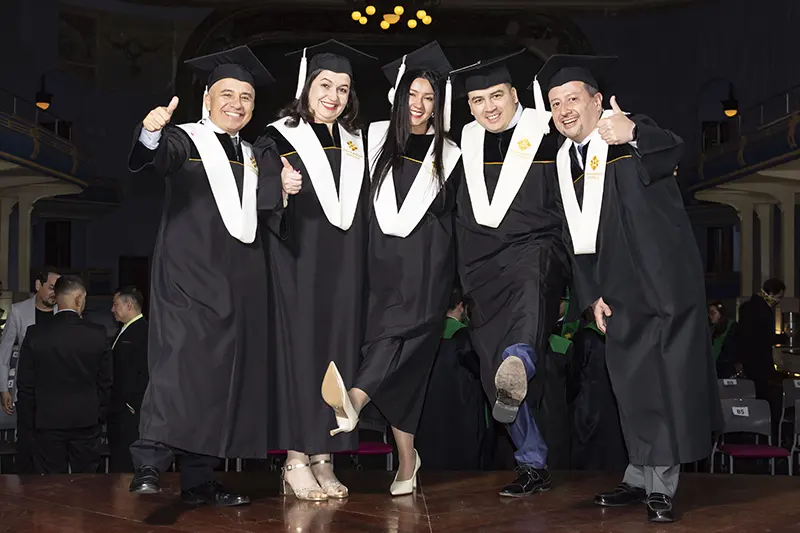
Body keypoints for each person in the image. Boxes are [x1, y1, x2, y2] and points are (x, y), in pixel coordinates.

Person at [536, 54, 722, 522]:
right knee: (631, 386)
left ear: (597, 100)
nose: (564, 110)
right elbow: (573, 238)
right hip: (616, 293)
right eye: (555, 103)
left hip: (664, 286)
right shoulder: (563, 162)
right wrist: (590, 294)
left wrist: (634, 132)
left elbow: (673, 149)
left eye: (572, 99)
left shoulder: (625, 133)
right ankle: (638, 476)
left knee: (666, 383)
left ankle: (661, 487)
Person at [126, 45, 282, 506]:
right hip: (187, 280)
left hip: (238, 284)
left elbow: (269, 213)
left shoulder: (254, 155)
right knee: (176, 366)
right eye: (227, 94)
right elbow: (158, 156)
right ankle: (150, 463)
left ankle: (199, 478)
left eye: (246, 97)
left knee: (220, 379)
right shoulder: (186, 141)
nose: (237, 103)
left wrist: (284, 187)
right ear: (207, 99)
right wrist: (151, 132)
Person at [320, 42, 462, 495]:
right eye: (412, 95)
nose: (419, 105)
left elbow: (457, 224)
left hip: (426, 274)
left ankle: (354, 400)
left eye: (429, 98)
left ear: (439, 106)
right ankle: (407, 461)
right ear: (399, 97)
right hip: (378, 272)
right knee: (402, 371)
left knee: (391, 342)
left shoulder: (452, 155)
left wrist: (459, 290)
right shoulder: (372, 141)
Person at [256, 40, 375, 502]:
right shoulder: (279, 137)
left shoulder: (356, 142)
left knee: (339, 353)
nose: (334, 96)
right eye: (325, 85)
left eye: (343, 89)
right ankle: (295, 458)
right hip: (298, 264)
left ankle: (326, 455)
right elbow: (257, 189)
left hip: (345, 266)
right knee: (303, 355)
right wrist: (278, 185)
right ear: (306, 87)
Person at [447, 50, 569, 497]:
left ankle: (521, 358)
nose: (489, 107)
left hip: (534, 248)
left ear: (515, 94)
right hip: (481, 268)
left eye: (496, 95)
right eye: (478, 100)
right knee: (493, 376)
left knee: (528, 303)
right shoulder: (465, 144)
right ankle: (532, 461)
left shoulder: (547, 135)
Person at [15, 275, 112, 474]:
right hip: (86, 421)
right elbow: (105, 382)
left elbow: (25, 385)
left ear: (57, 299)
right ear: (79, 299)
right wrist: (98, 415)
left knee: (50, 483)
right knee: (86, 482)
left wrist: (30, 421)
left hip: (47, 422)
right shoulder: (98, 334)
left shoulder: (35, 334)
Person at [0, 267, 60, 473]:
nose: (55, 293)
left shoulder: (63, 311)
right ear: (38, 285)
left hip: (56, 393)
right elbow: (4, 353)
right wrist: (4, 389)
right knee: (26, 446)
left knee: (51, 448)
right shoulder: (18, 311)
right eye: (51, 287)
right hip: (27, 391)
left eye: (58, 289)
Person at [108, 286, 149, 472]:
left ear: (129, 305)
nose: (112, 309)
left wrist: (131, 404)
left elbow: (143, 371)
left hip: (130, 411)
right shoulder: (124, 330)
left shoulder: (143, 332)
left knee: (126, 460)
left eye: (115, 304)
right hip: (120, 410)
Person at [737, 278, 784, 418]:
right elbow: (766, 339)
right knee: (766, 401)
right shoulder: (765, 311)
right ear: (771, 293)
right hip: (761, 364)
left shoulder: (745, 307)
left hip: (747, 363)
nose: (779, 301)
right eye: (779, 297)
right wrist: (784, 336)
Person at [708, 300, 738, 378]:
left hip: (726, 370)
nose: (710, 316)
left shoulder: (732, 327)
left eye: (713, 313)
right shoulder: (712, 330)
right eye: (709, 313)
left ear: (720, 314)